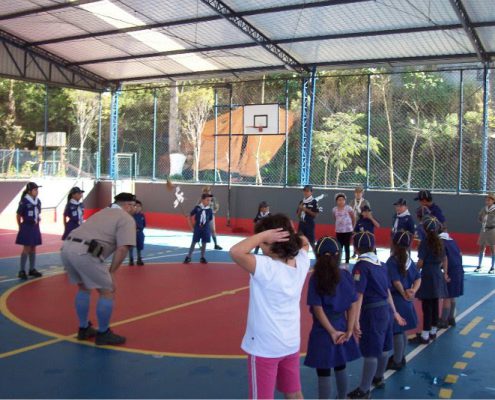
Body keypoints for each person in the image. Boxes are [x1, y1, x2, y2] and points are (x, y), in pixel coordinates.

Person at [230, 213, 311, 400]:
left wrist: (262, 235)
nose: (260, 245)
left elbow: (236, 251)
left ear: (274, 242)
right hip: (290, 343)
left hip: (264, 348)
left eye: (264, 242)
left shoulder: (266, 267)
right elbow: (304, 241)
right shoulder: (301, 262)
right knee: (294, 393)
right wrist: (288, 233)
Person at [61, 192, 137, 346]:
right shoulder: (126, 218)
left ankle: (84, 328)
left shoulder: (102, 212)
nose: (135, 209)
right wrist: (111, 273)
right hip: (86, 252)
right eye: (133, 205)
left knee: (83, 287)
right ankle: (103, 333)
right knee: (107, 290)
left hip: (67, 247)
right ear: (128, 205)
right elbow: (123, 249)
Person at [348, 231, 406, 399]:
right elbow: (388, 291)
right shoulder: (380, 264)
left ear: (356, 248)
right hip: (385, 311)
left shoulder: (361, 266)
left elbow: (359, 295)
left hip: (372, 312)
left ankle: (364, 390)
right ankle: (379, 377)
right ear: (373, 246)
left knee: (371, 351)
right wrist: (394, 312)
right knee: (383, 348)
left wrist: (356, 320)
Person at [304, 237, 361, 399]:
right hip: (342, 325)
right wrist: (349, 329)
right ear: (338, 254)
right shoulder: (345, 275)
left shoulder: (316, 278)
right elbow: (352, 304)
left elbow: (318, 308)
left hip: (322, 329)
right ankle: (342, 397)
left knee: (323, 370)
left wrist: (330, 331)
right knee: (340, 365)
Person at [410, 215, 449, 345]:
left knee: (426, 306)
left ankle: (425, 335)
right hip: (437, 274)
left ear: (425, 229)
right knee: (434, 304)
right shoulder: (440, 242)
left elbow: (420, 262)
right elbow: (444, 259)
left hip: (427, 274)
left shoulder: (425, 243)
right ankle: (432, 332)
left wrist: (414, 273)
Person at [386, 230, 421, 370]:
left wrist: (403, 293)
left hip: (397, 300)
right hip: (407, 300)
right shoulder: (408, 260)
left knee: (397, 331)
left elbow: (395, 281)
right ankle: (401, 356)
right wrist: (413, 291)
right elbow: (418, 277)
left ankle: (397, 360)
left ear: (394, 243)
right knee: (403, 330)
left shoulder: (392, 261)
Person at [15, 182, 43, 280]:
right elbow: (18, 215)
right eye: (35, 190)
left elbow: (38, 213)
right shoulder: (24, 201)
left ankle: (32, 269)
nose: (37, 191)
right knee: (26, 248)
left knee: (33, 248)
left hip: (35, 227)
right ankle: (22, 270)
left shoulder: (38, 201)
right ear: (29, 191)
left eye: (37, 189)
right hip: (27, 226)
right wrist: (20, 227)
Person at [438, 231, 464, 328]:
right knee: (452, 296)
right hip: (459, 270)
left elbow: (444, 259)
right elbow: (460, 254)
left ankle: (443, 320)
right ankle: (451, 318)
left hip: (451, 271)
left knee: (447, 296)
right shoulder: (453, 242)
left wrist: (444, 272)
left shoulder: (442, 243)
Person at [184, 193, 213, 264]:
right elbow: (189, 216)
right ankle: (189, 257)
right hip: (197, 228)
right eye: (207, 200)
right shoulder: (197, 208)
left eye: (210, 200)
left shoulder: (209, 210)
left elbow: (209, 219)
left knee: (204, 243)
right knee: (193, 242)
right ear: (202, 200)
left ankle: (202, 257)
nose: (209, 202)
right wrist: (192, 227)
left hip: (206, 228)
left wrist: (209, 230)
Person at [474, 193, 495, 274]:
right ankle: (479, 266)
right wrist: (483, 222)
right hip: (483, 230)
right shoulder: (484, 209)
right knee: (481, 248)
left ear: (493, 201)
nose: (487, 201)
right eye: (486, 200)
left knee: (493, 249)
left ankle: (492, 267)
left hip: (492, 230)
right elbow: (479, 217)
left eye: (489, 200)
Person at [332, 193, 355, 264]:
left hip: (348, 231)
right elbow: (335, 218)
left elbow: (353, 217)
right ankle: (338, 260)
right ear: (336, 201)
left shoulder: (348, 208)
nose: (341, 201)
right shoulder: (334, 209)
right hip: (339, 231)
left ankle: (347, 261)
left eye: (342, 200)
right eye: (339, 200)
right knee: (339, 246)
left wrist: (352, 227)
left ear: (345, 201)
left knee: (347, 246)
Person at [296, 185, 319, 253]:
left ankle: (318, 259)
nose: (305, 192)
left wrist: (305, 209)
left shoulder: (314, 201)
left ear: (311, 192)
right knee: (299, 241)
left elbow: (315, 215)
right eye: (304, 191)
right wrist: (300, 209)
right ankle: (299, 258)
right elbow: (298, 216)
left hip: (309, 224)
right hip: (301, 223)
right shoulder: (301, 201)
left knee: (312, 242)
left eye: (307, 191)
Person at [201, 186, 222, 250]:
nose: (208, 192)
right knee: (204, 231)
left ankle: (215, 244)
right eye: (206, 191)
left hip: (211, 216)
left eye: (208, 191)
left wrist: (214, 211)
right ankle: (203, 245)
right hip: (204, 215)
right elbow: (198, 206)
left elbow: (217, 206)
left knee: (213, 230)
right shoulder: (202, 198)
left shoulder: (213, 198)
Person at [129, 200, 146, 266]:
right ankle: (131, 260)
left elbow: (144, 224)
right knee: (131, 247)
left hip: (139, 233)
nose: (137, 207)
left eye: (139, 206)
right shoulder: (131, 215)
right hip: (132, 233)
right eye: (136, 206)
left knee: (139, 246)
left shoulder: (142, 216)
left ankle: (139, 259)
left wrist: (140, 230)